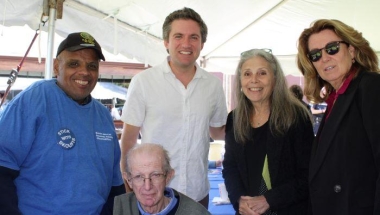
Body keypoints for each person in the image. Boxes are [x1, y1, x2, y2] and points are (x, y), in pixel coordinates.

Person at [0, 32, 125, 214]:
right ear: (57, 67)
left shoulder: (102, 116)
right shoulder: (35, 99)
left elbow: (115, 186)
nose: (84, 72)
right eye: (74, 63)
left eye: (92, 66)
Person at [120, 7, 227, 208]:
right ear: (166, 42)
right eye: (178, 36)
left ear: (202, 44)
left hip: (197, 193)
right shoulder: (143, 82)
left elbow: (218, 130)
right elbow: (128, 142)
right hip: (152, 195)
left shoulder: (213, 86)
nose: (186, 44)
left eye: (193, 37)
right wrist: (131, 194)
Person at [297, 19, 380, 215]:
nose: (324, 58)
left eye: (332, 48)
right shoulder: (336, 99)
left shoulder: (371, 87)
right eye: (315, 55)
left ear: (351, 50)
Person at [222, 49, 314, 215]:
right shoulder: (234, 118)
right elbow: (230, 167)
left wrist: (269, 200)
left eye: (262, 73)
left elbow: (308, 174)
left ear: (275, 78)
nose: (254, 80)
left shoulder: (296, 117)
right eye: (247, 74)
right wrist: (239, 199)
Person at [114, 143, 211, 215]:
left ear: (168, 176)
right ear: (129, 180)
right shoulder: (117, 208)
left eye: (155, 175)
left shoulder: (196, 213)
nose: (147, 187)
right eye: (138, 177)